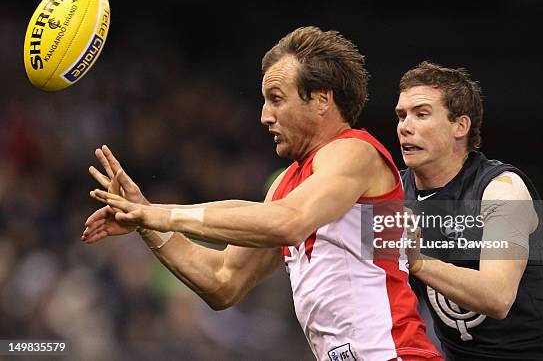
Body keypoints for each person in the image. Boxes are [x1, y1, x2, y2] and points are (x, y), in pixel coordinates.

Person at [83, 27, 442, 361]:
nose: (264, 116)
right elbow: (223, 281)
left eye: (276, 99)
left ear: (321, 100)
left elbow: (291, 222)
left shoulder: (354, 151)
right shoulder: (287, 184)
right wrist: (144, 218)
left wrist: (163, 213)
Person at [396, 62, 543, 360]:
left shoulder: (502, 188)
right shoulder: (394, 193)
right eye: (401, 115)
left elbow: (498, 296)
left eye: (421, 114)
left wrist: (418, 262)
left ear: (460, 126)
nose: (405, 126)